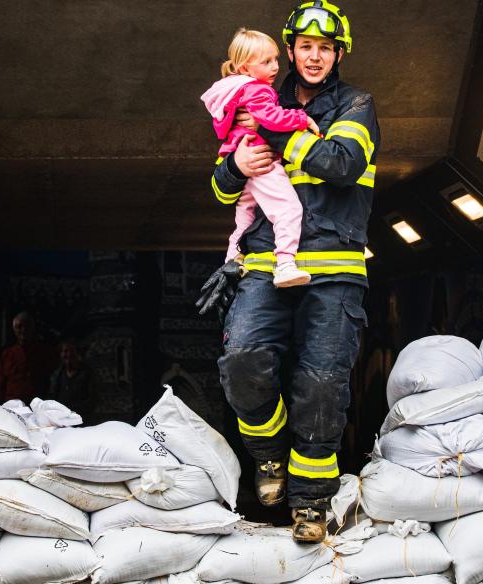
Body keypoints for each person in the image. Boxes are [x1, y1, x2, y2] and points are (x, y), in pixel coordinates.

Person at [197, 1, 378, 543]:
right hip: (265, 264)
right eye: (305, 46)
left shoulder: (356, 104)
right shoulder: (260, 95)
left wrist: (279, 136)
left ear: (338, 53)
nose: (315, 56)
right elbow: (221, 185)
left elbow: (342, 165)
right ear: (291, 50)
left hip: (335, 268)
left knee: (321, 385)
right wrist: (234, 167)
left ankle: (311, 501)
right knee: (243, 358)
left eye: (326, 47)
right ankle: (269, 456)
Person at [200, 28, 321, 288]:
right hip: (262, 160)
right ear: (245, 67)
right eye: (266, 62)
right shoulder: (259, 91)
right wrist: (302, 119)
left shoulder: (234, 91)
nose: (275, 66)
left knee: (245, 216)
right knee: (289, 209)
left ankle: (232, 258)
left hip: (243, 157)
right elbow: (273, 119)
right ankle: (286, 265)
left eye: (275, 59)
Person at [0, 312, 57, 403]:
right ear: (14, 329)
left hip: (36, 406)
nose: (23, 330)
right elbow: (1, 383)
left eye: (27, 326)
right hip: (11, 406)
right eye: (19, 327)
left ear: (33, 328)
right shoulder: (7, 354)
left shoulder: (44, 352)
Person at [48, 339, 93, 421]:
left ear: (78, 353)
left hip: (81, 419)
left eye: (72, 351)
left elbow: (91, 400)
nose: (68, 354)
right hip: (60, 419)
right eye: (65, 351)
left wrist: (73, 413)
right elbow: (52, 396)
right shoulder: (57, 375)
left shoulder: (88, 374)